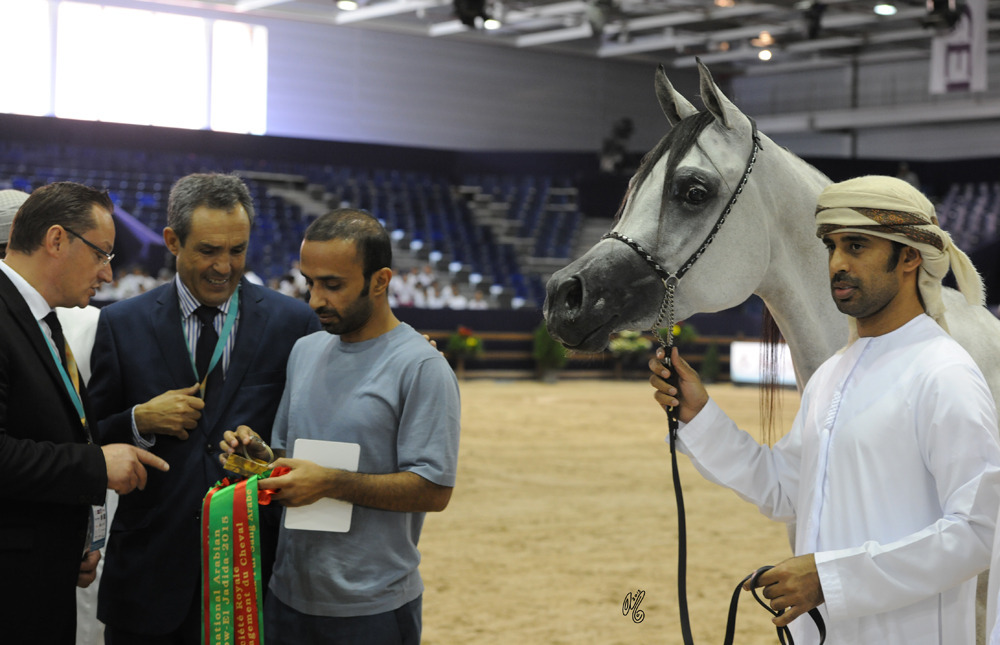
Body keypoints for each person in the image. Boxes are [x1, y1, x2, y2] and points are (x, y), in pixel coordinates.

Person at [649, 175, 1000, 644]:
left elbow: (977, 535)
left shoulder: (943, 373)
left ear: (910, 257)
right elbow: (786, 491)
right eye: (832, 247)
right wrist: (701, 414)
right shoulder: (833, 375)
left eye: (857, 246)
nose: (837, 263)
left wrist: (830, 580)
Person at [87, 173, 321, 644]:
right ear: (173, 241)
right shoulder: (120, 323)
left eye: (237, 250)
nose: (224, 266)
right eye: (209, 250)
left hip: (254, 573)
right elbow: (89, 436)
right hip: (150, 581)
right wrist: (139, 420)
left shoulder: (293, 321)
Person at [220, 208, 461, 645]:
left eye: (333, 285)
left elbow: (434, 490)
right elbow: (286, 463)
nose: (315, 300)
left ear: (380, 281)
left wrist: (331, 483)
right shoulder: (305, 351)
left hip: (372, 608)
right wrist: (259, 459)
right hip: (286, 596)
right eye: (310, 282)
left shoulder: (421, 367)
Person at [0, 181, 170, 643]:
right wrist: (96, 465)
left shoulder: (41, 316)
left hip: (40, 571)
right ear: (56, 240)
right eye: (102, 254)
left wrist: (68, 541)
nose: (108, 274)